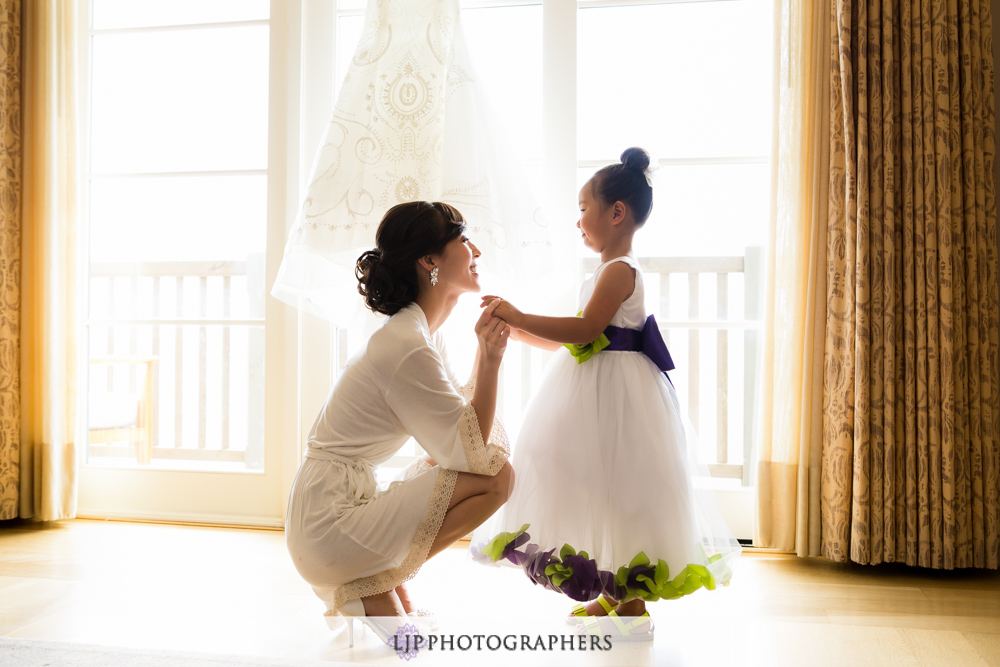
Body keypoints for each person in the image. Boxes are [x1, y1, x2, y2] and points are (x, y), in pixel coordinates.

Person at [471, 148, 740, 641]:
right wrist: (512, 325)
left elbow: (588, 327)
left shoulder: (620, 269)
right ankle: (614, 596)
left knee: (623, 490)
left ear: (616, 212)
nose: (578, 221)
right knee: (599, 488)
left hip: (621, 395)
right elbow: (568, 338)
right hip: (597, 389)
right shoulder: (603, 271)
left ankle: (632, 604)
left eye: (582, 208)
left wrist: (520, 313)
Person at [285, 201, 514, 646]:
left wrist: (488, 357)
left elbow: (462, 436)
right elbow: (471, 452)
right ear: (429, 261)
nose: (476, 250)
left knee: (405, 646)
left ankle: (375, 580)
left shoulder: (421, 336)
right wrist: (489, 359)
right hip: (327, 523)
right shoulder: (407, 344)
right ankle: (374, 578)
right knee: (498, 478)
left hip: (331, 509)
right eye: (464, 240)